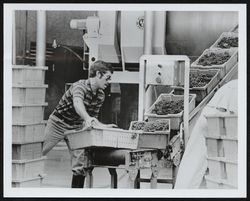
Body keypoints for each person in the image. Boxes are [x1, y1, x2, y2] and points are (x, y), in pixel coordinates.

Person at [42, 60, 117, 188]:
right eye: (107, 78)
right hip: (58, 123)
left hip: (76, 127)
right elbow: (78, 104)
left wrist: (102, 126)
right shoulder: (79, 86)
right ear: (98, 74)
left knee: (80, 165)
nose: (109, 82)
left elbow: (93, 118)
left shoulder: (100, 96)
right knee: (37, 152)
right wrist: (87, 118)